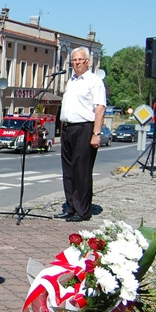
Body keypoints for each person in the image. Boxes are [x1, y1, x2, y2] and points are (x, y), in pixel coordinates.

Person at [56, 48, 107, 222]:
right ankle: (70, 207)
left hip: (84, 128)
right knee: (68, 171)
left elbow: (100, 108)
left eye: (80, 60)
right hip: (68, 129)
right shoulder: (71, 81)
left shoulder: (94, 81)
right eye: (74, 60)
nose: (77, 63)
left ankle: (82, 210)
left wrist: (96, 133)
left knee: (82, 171)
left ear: (88, 62)